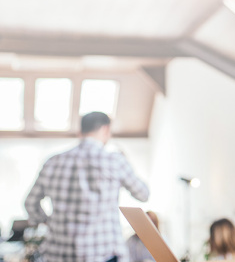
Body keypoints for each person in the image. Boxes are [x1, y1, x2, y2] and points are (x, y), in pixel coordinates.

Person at [25, 111, 150, 262]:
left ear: (81, 131)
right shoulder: (114, 161)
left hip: (59, 253)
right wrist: (127, 161)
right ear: (106, 129)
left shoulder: (53, 162)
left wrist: (48, 221)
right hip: (102, 254)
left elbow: (30, 203)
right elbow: (143, 194)